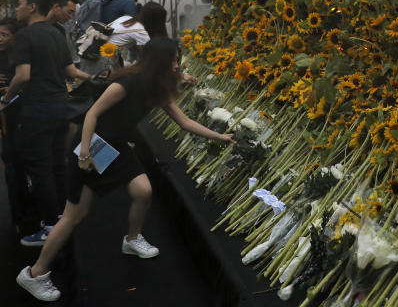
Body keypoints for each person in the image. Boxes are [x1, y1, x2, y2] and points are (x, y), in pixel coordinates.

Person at [15, 37, 235, 302]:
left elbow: (185, 122)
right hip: (94, 147)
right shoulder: (127, 82)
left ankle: (132, 239)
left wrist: (221, 137)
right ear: (160, 61)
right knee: (75, 215)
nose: (177, 65)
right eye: (174, 59)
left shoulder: (158, 87)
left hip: (116, 147)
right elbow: (92, 114)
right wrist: (84, 153)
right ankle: (34, 273)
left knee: (143, 191)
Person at [0, 0, 92, 248]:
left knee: (40, 171)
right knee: (57, 166)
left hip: (36, 111)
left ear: (31, 7)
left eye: (19, 4)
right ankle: (62, 217)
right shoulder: (57, 32)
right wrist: (92, 77)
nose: (16, 8)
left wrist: (5, 100)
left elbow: (23, 76)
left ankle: (50, 226)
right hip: (60, 108)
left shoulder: (25, 36)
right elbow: (70, 70)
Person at [0, 17, 31, 235]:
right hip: (7, 120)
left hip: (27, 116)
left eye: (4, 34)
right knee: (12, 163)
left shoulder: (24, 56)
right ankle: (19, 217)